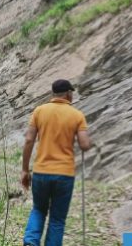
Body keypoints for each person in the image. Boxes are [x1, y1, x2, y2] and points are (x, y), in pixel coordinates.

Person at [21, 79, 91, 246]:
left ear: (53, 93)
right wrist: (89, 140)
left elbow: (29, 140)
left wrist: (25, 170)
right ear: (68, 94)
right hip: (64, 174)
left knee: (38, 209)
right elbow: (84, 145)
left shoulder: (39, 111)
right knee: (57, 219)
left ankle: (30, 242)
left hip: (41, 171)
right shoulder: (77, 115)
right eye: (71, 93)